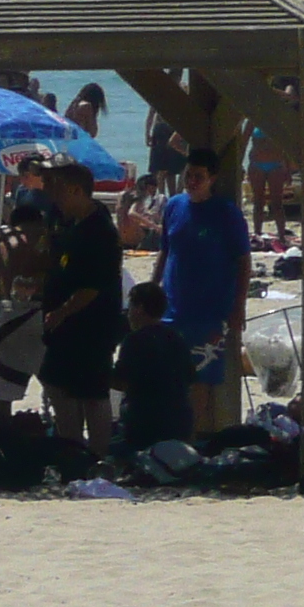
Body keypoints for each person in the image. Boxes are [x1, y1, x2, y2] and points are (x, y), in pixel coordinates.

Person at [32, 160, 126, 454]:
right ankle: (71, 448)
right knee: (57, 384)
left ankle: (95, 455)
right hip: (64, 326)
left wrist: (62, 312)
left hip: (92, 324)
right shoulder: (66, 221)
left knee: (92, 394)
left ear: (75, 190)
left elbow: (93, 286)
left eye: (58, 189)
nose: (53, 195)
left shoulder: (100, 229)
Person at [151, 148, 247, 435]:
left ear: (212, 178)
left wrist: (238, 306)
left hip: (209, 311)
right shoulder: (174, 206)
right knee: (168, 376)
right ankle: (170, 436)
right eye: (188, 175)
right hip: (171, 307)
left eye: (198, 177)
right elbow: (165, 251)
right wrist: (152, 289)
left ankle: (198, 438)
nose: (191, 181)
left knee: (201, 381)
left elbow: (243, 262)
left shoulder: (225, 213)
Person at [113, 280, 196, 454]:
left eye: (130, 308)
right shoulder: (176, 338)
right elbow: (190, 379)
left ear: (139, 308)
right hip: (179, 425)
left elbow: (121, 381)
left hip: (144, 427)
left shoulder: (134, 341)